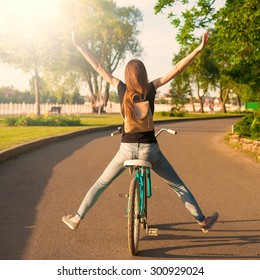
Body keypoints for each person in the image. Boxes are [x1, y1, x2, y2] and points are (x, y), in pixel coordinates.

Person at [62, 30, 219, 233]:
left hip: (126, 150)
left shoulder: (121, 88)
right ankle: (202, 221)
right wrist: (198, 49)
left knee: (101, 183)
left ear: (127, 75)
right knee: (177, 185)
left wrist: (79, 46)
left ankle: (77, 217)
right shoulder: (150, 89)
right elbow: (178, 68)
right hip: (150, 150)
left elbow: (98, 67)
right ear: (143, 74)